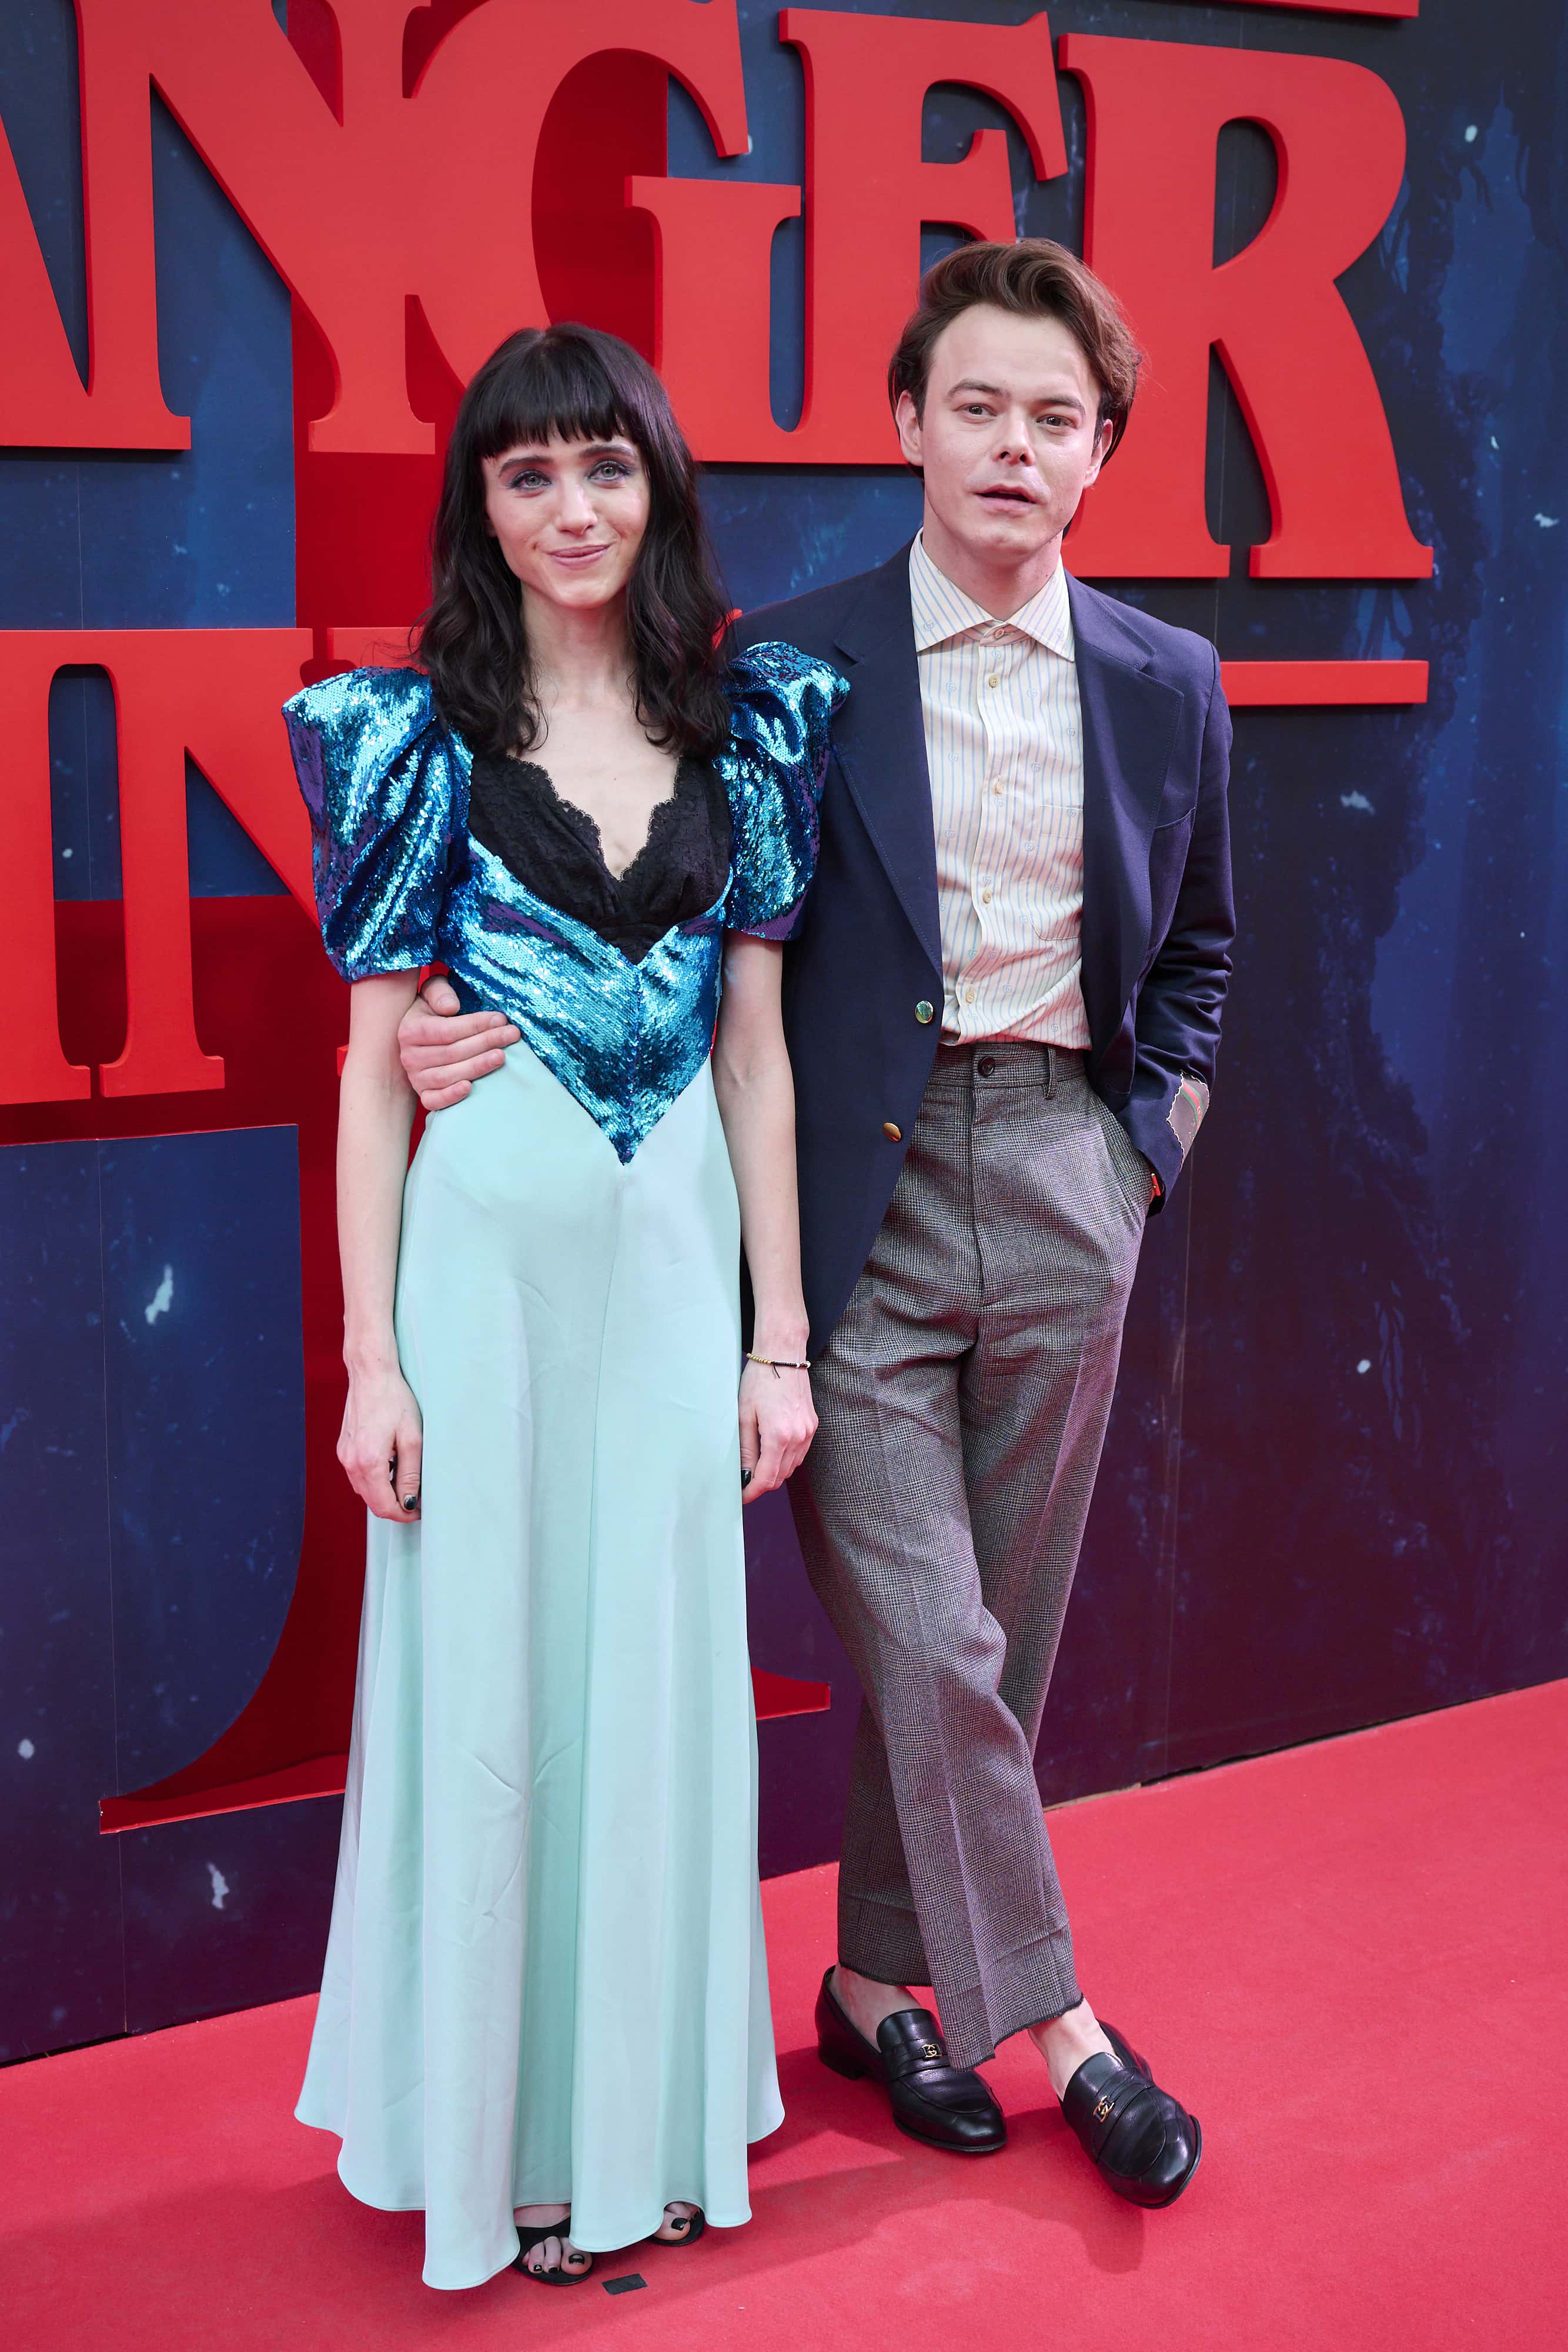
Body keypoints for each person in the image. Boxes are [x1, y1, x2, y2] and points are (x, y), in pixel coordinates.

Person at [396, 239, 1233, 2210]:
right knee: (930, 1635)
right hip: (842, 1202)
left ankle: (876, 1984)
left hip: (1063, 1177)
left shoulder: (1167, 682)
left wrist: (1143, 1153)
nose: (1014, 449)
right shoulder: (788, 668)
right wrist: (477, 1009)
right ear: (906, 425)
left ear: (1099, 452)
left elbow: (1193, 951)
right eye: (978, 407)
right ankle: (1067, 2029)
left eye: (1056, 419)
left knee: (989, 1651)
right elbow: (657, 890)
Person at [282, 322, 842, 2291]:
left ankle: (652, 2127)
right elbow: (368, 1074)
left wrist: (780, 1344)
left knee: (662, 1680)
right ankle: (507, 2144)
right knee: (498, 1692)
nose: (571, 506)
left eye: (603, 464)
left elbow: (759, 1055)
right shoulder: (402, 737)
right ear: (483, 508)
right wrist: (374, 1359)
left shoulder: (747, 723)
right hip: (487, 1262)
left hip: (679, 1253)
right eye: (527, 475)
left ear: (657, 483)